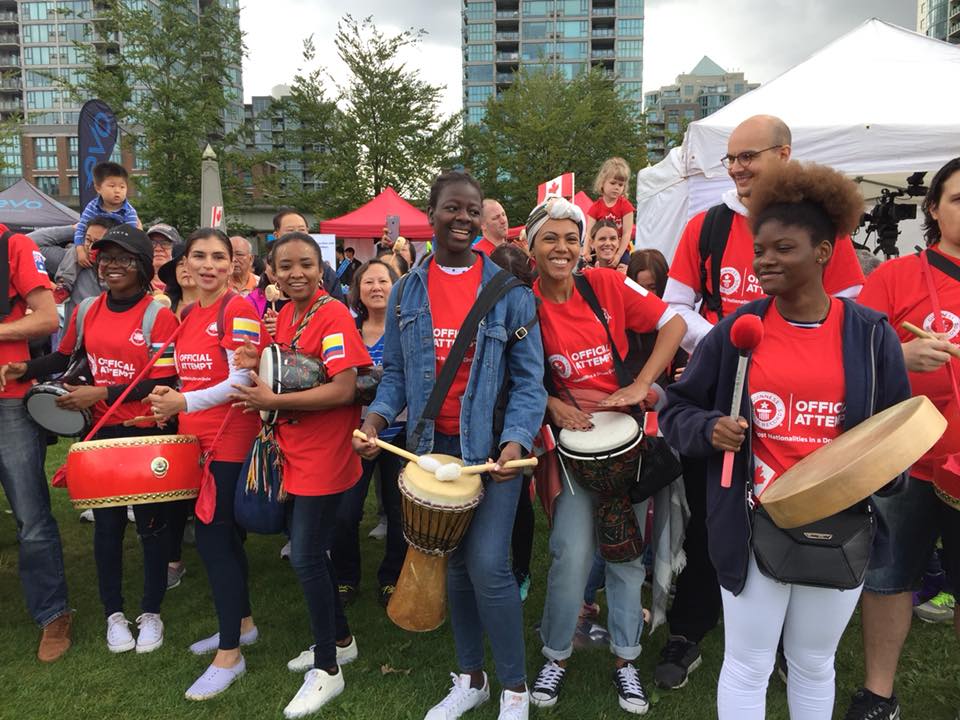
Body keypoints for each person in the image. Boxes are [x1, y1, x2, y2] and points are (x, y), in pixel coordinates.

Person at [661, 161, 909, 719]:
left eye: (783, 248)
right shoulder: (737, 331)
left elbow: (895, 435)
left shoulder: (870, 336)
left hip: (840, 526)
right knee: (747, 663)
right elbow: (676, 409)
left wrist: (879, 479)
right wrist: (710, 430)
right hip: (752, 524)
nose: (764, 261)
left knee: (814, 662)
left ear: (823, 252)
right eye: (760, 249)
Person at [354, 171, 546, 720]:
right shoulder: (408, 289)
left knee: (489, 565)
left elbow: (531, 382)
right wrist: (376, 417)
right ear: (431, 215)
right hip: (430, 447)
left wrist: (516, 439)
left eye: (471, 210)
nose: (462, 218)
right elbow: (393, 374)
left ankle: (514, 688)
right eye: (451, 209)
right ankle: (471, 677)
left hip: (490, 450)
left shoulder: (509, 293)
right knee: (454, 564)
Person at [525, 196, 685, 715]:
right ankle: (556, 652)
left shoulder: (610, 284)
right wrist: (551, 402)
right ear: (532, 247)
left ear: (584, 245)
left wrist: (642, 383)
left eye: (572, 238)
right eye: (550, 237)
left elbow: (674, 325)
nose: (563, 248)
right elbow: (516, 371)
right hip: (570, 450)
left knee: (625, 555)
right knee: (571, 553)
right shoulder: (523, 302)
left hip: (626, 444)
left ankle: (625, 658)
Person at [5, 225, 179, 653]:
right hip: (102, 434)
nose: (111, 266)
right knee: (108, 526)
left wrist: (102, 391)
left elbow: (164, 377)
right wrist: (24, 371)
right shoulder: (86, 310)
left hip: (147, 433)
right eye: (105, 259)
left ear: (141, 265)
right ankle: (113, 614)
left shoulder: (159, 315)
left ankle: (151, 611)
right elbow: (64, 357)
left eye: (122, 259)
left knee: (152, 528)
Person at [231, 231, 370, 718]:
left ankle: (328, 669)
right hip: (295, 446)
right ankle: (341, 640)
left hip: (324, 451)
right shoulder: (286, 314)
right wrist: (259, 364)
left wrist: (273, 401)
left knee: (306, 556)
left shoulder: (331, 313)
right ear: (270, 270)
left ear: (322, 267)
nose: (296, 273)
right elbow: (288, 369)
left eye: (306, 264)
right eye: (285, 265)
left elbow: (344, 389)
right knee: (310, 552)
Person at [845, 157, 960, 720]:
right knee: (890, 577)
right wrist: (900, 354)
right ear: (933, 209)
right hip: (906, 458)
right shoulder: (893, 277)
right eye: (958, 199)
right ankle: (878, 693)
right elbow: (850, 354)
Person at [147, 228, 268, 701]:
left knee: (216, 542)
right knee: (220, 542)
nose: (211, 265)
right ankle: (242, 625)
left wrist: (183, 401)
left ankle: (230, 655)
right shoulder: (189, 311)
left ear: (232, 265)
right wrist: (171, 397)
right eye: (200, 256)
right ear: (185, 264)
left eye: (220, 257)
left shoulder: (236, 308)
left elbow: (241, 382)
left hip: (230, 441)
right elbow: (191, 374)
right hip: (198, 440)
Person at [0, 221, 71, 662]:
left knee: (30, 514)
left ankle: (53, 613)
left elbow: (47, 318)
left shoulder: (14, 244)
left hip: (8, 400)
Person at [331, 259, 407, 609]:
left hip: (400, 435)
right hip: (355, 436)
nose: (376, 287)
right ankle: (346, 578)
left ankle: (392, 578)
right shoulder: (348, 330)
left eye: (384, 281)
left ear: (396, 287)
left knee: (398, 512)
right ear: (357, 290)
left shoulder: (407, 330)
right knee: (345, 512)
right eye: (368, 282)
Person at [488, 243, 538, 602]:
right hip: (484, 414)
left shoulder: (528, 309)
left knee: (518, 500)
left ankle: (520, 569)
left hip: (516, 416)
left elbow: (532, 377)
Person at [272, 209, 345, 302]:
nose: (297, 275)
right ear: (276, 235)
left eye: (302, 230)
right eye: (285, 267)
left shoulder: (326, 272)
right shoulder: (267, 271)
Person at [73, 161, 140, 246]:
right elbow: (81, 229)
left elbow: (130, 236)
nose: (117, 191)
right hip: (92, 247)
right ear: (98, 188)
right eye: (112, 186)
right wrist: (79, 248)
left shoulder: (129, 212)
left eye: (122, 187)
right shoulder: (92, 207)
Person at [584, 157, 634, 263]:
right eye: (613, 183)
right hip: (600, 248)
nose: (617, 187)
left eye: (620, 185)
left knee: (626, 266)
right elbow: (589, 233)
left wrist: (618, 255)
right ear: (602, 183)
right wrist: (586, 251)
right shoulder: (595, 207)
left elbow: (626, 233)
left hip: (620, 249)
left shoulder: (626, 206)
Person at [147, 223, 183, 292]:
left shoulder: (187, 285)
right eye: (152, 243)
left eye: (165, 243)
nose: (158, 248)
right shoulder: (135, 285)